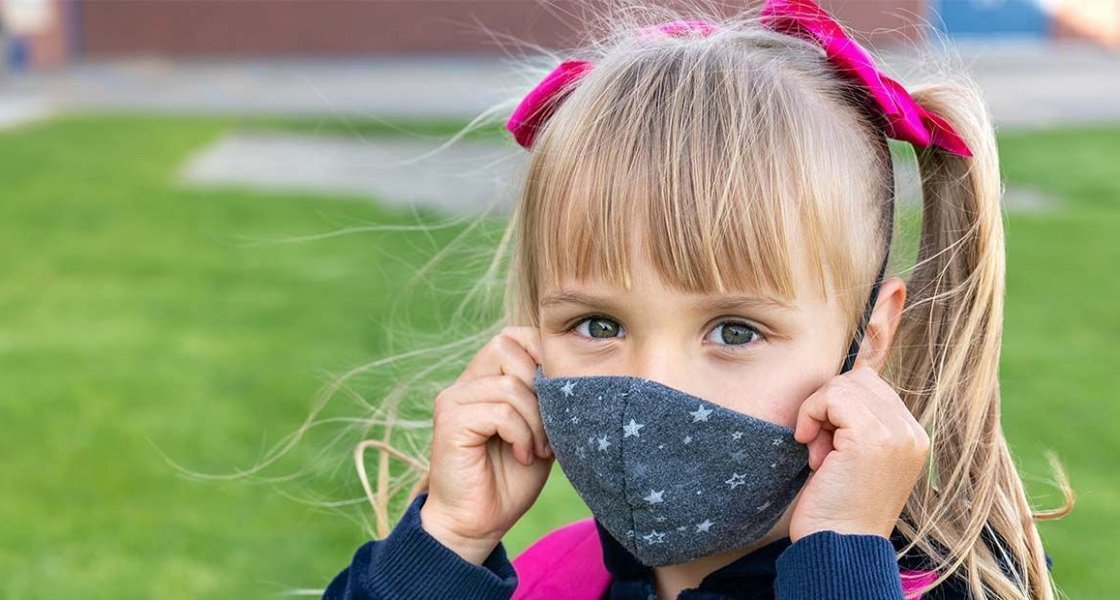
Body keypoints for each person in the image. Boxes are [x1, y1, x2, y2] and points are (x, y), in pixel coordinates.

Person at [321, 0, 1072, 597]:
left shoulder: (939, 588)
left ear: (867, 338)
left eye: (736, 331)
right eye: (597, 323)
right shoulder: (552, 579)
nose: (654, 384)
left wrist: (840, 561)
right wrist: (447, 543)